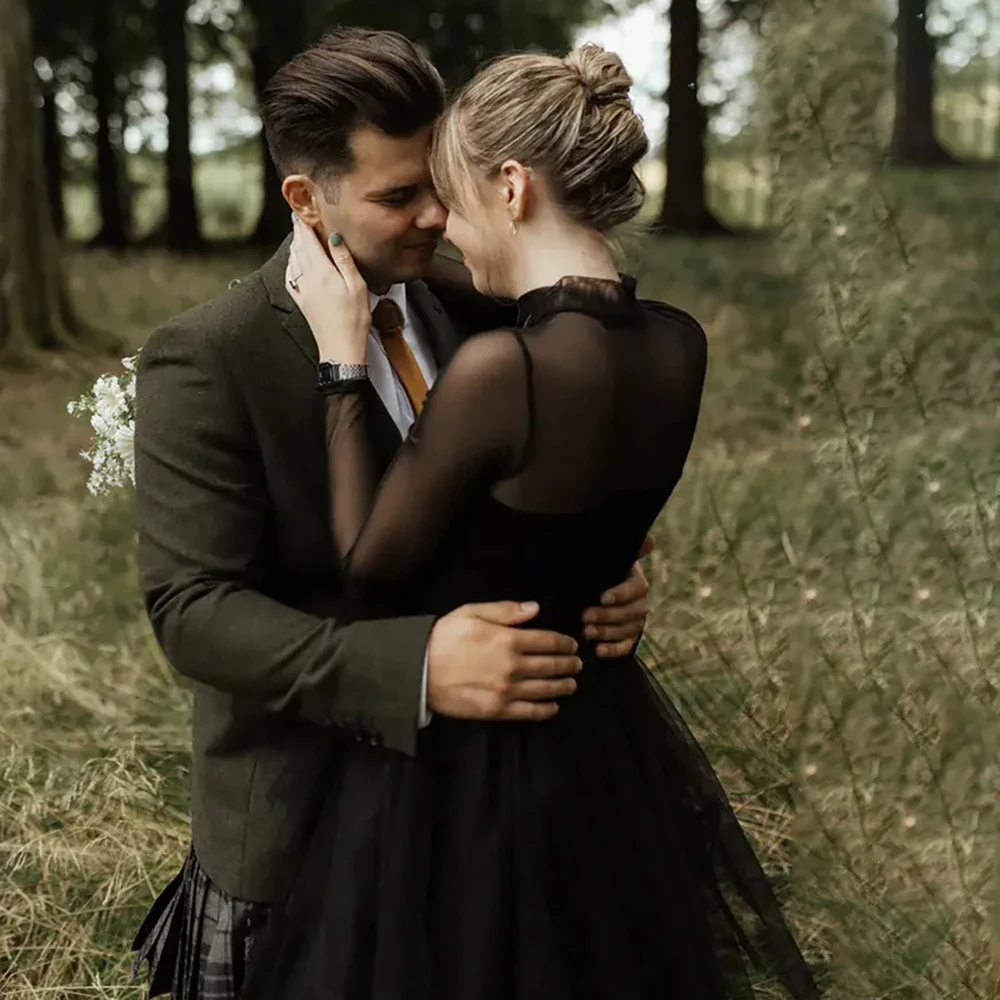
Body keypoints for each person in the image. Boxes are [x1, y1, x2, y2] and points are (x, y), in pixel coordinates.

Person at [240, 41, 822, 1000]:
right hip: (602, 741)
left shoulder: (504, 371)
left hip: (472, 765)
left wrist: (342, 360)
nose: (449, 235)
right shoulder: (681, 345)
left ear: (512, 188)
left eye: (458, 202)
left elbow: (366, 566)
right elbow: (590, 523)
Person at [129, 28, 653, 1000]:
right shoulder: (209, 355)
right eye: (395, 195)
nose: (432, 216)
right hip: (297, 829)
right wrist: (413, 667)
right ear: (305, 196)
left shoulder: (476, 306)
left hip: (479, 826)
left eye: (438, 185)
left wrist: (602, 568)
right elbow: (192, 610)